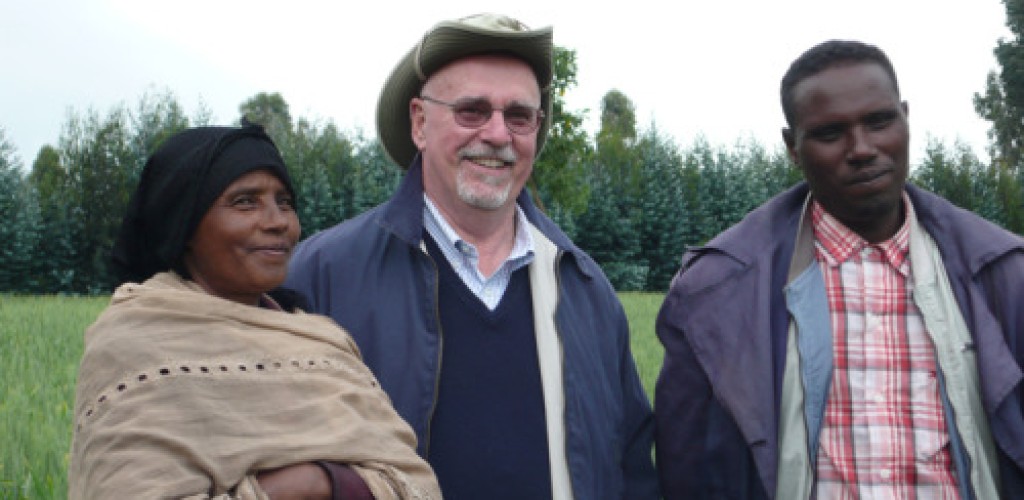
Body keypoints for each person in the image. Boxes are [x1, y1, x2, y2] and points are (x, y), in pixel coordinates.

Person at [285, 13, 658, 500]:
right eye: (472, 111)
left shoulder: (586, 289)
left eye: (518, 116)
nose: (498, 135)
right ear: (420, 122)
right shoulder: (319, 277)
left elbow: (630, 470)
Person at [654, 39, 1024, 499]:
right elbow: (687, 471)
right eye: (830, 133)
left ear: (906, 117)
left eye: (879, 121)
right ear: (793, 147)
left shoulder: (1005, 274)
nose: (862, 148)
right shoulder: (715, 290)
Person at [68, 124, 441, 500]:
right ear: (184, 223)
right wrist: (290, 488)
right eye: (245, 202)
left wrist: (321, 480)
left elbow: (409, 480)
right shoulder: (135, 348)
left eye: (284, 202)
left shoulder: (322, 342)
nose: (278, 221)